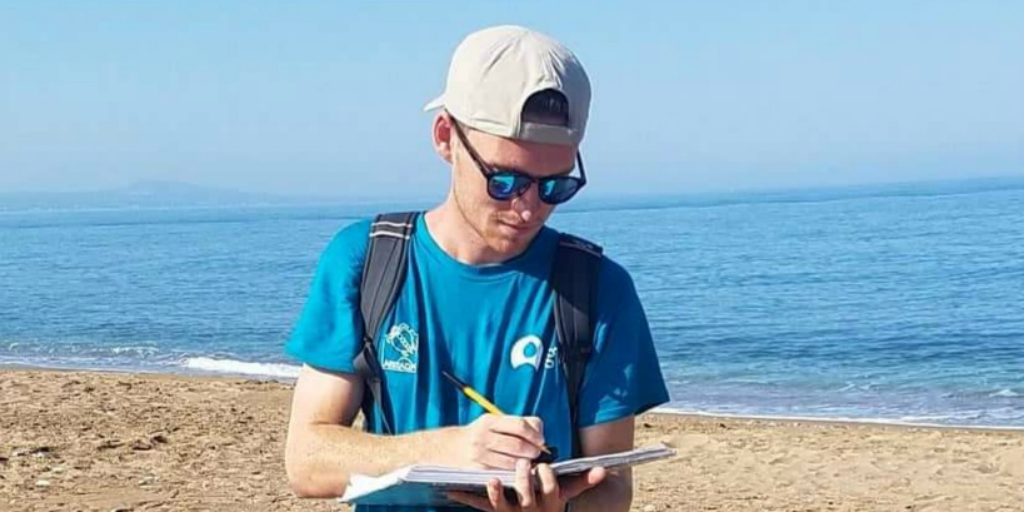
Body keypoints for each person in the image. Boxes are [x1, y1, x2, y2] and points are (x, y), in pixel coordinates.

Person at [283, 25, 669, 512]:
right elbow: (307, 460)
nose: (528, 208)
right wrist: (448, 451)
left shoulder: (598, 288)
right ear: (446, 137)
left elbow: (611, 486)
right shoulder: (365, 261)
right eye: (504, 180)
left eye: (555, 187)